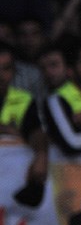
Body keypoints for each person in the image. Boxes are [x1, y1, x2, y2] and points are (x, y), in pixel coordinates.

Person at [0, 41, 47, 208]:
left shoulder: (23, 99)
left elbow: (35, 131)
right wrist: (7, 130)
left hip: (10, 186)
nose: (0, 75)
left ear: (14, 72)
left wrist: (41, 154)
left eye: (6, 68)